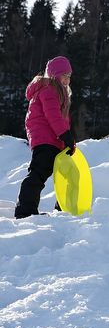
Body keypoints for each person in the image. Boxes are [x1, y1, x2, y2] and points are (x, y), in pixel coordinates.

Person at [14, 56, 76, 219]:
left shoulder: (60, 93)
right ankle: (25, 211)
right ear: (54, 75)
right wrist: (65, 136)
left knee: (67, 173)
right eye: (64, 75)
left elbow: (63, 121)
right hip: (45, 140)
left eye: (69, 76)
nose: (67, 79)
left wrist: (66, 141)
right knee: (38, 173)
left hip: (55, 140)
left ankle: (63, 209)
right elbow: (53, 116)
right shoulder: (49, 90)